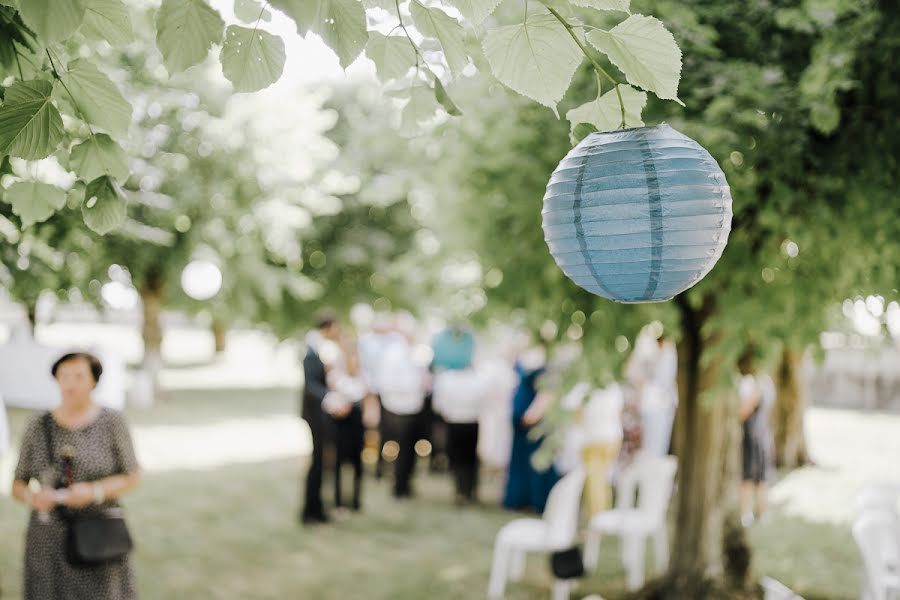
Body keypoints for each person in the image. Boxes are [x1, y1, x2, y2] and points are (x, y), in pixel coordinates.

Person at [11, 352, 141, 600]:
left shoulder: (112, 422)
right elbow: (18, 483)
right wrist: (33, 497)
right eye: (64, 376)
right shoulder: (38, 425)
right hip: (49, 538)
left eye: (79, 376)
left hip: (99, 534)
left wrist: (95, 492)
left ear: (94, 382)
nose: (70, 383)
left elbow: (132, 475)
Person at [300, 314, 348, 525]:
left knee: (322, 461)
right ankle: (311, 511)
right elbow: (310, 384)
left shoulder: (319, 348)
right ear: (328, 327)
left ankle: (317, 507)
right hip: (315, 415)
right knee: (318, 462)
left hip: (321, 414)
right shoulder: (312, 350)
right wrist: (331, 398)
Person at [502, 347, 560, 513]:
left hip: (534, 423)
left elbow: (547, 392)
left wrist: (533, 414)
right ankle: (520, 498)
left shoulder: (544, 362)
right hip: (520, 426)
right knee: (521, 463)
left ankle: (538, 500)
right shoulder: (524, 357)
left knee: (536, 463)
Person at [375, 316, 428, 498]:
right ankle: (399, 487)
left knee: (410, 450)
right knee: (402, 450)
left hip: (412, 407)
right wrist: (416, 385)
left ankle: (406, 484)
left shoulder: (411, 352)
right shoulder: (393, 353)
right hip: (398, 408)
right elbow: (387, 383)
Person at [432, 366, 486, 504]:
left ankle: (461, 490)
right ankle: (468, 490)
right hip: (470, 421)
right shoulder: (477, 379)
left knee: (459, 458)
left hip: (456, 421)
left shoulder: (447, 379)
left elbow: (439, 404)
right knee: (469, 458)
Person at [326, 334, 367, 511]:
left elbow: (365, 394)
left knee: (358, 460)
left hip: (357, 419)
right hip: (341, 421)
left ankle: (356, 499)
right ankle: (338, 499)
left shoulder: (362, 373)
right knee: (339, 460)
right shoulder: (335, 374)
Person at [739, 366, 775, 527]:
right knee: (747, 476)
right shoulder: (747, 382)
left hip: (761, 435)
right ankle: (746, 512)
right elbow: (742, 412)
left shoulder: (765, 381)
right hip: (749, 435)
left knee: (762, 477)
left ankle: (762, 511)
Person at [639, 335, 678, 457]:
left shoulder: (667, 353)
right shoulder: (653, 355)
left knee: (659, 440)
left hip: (661, 403)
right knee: (652, 441)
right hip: (652, 404)